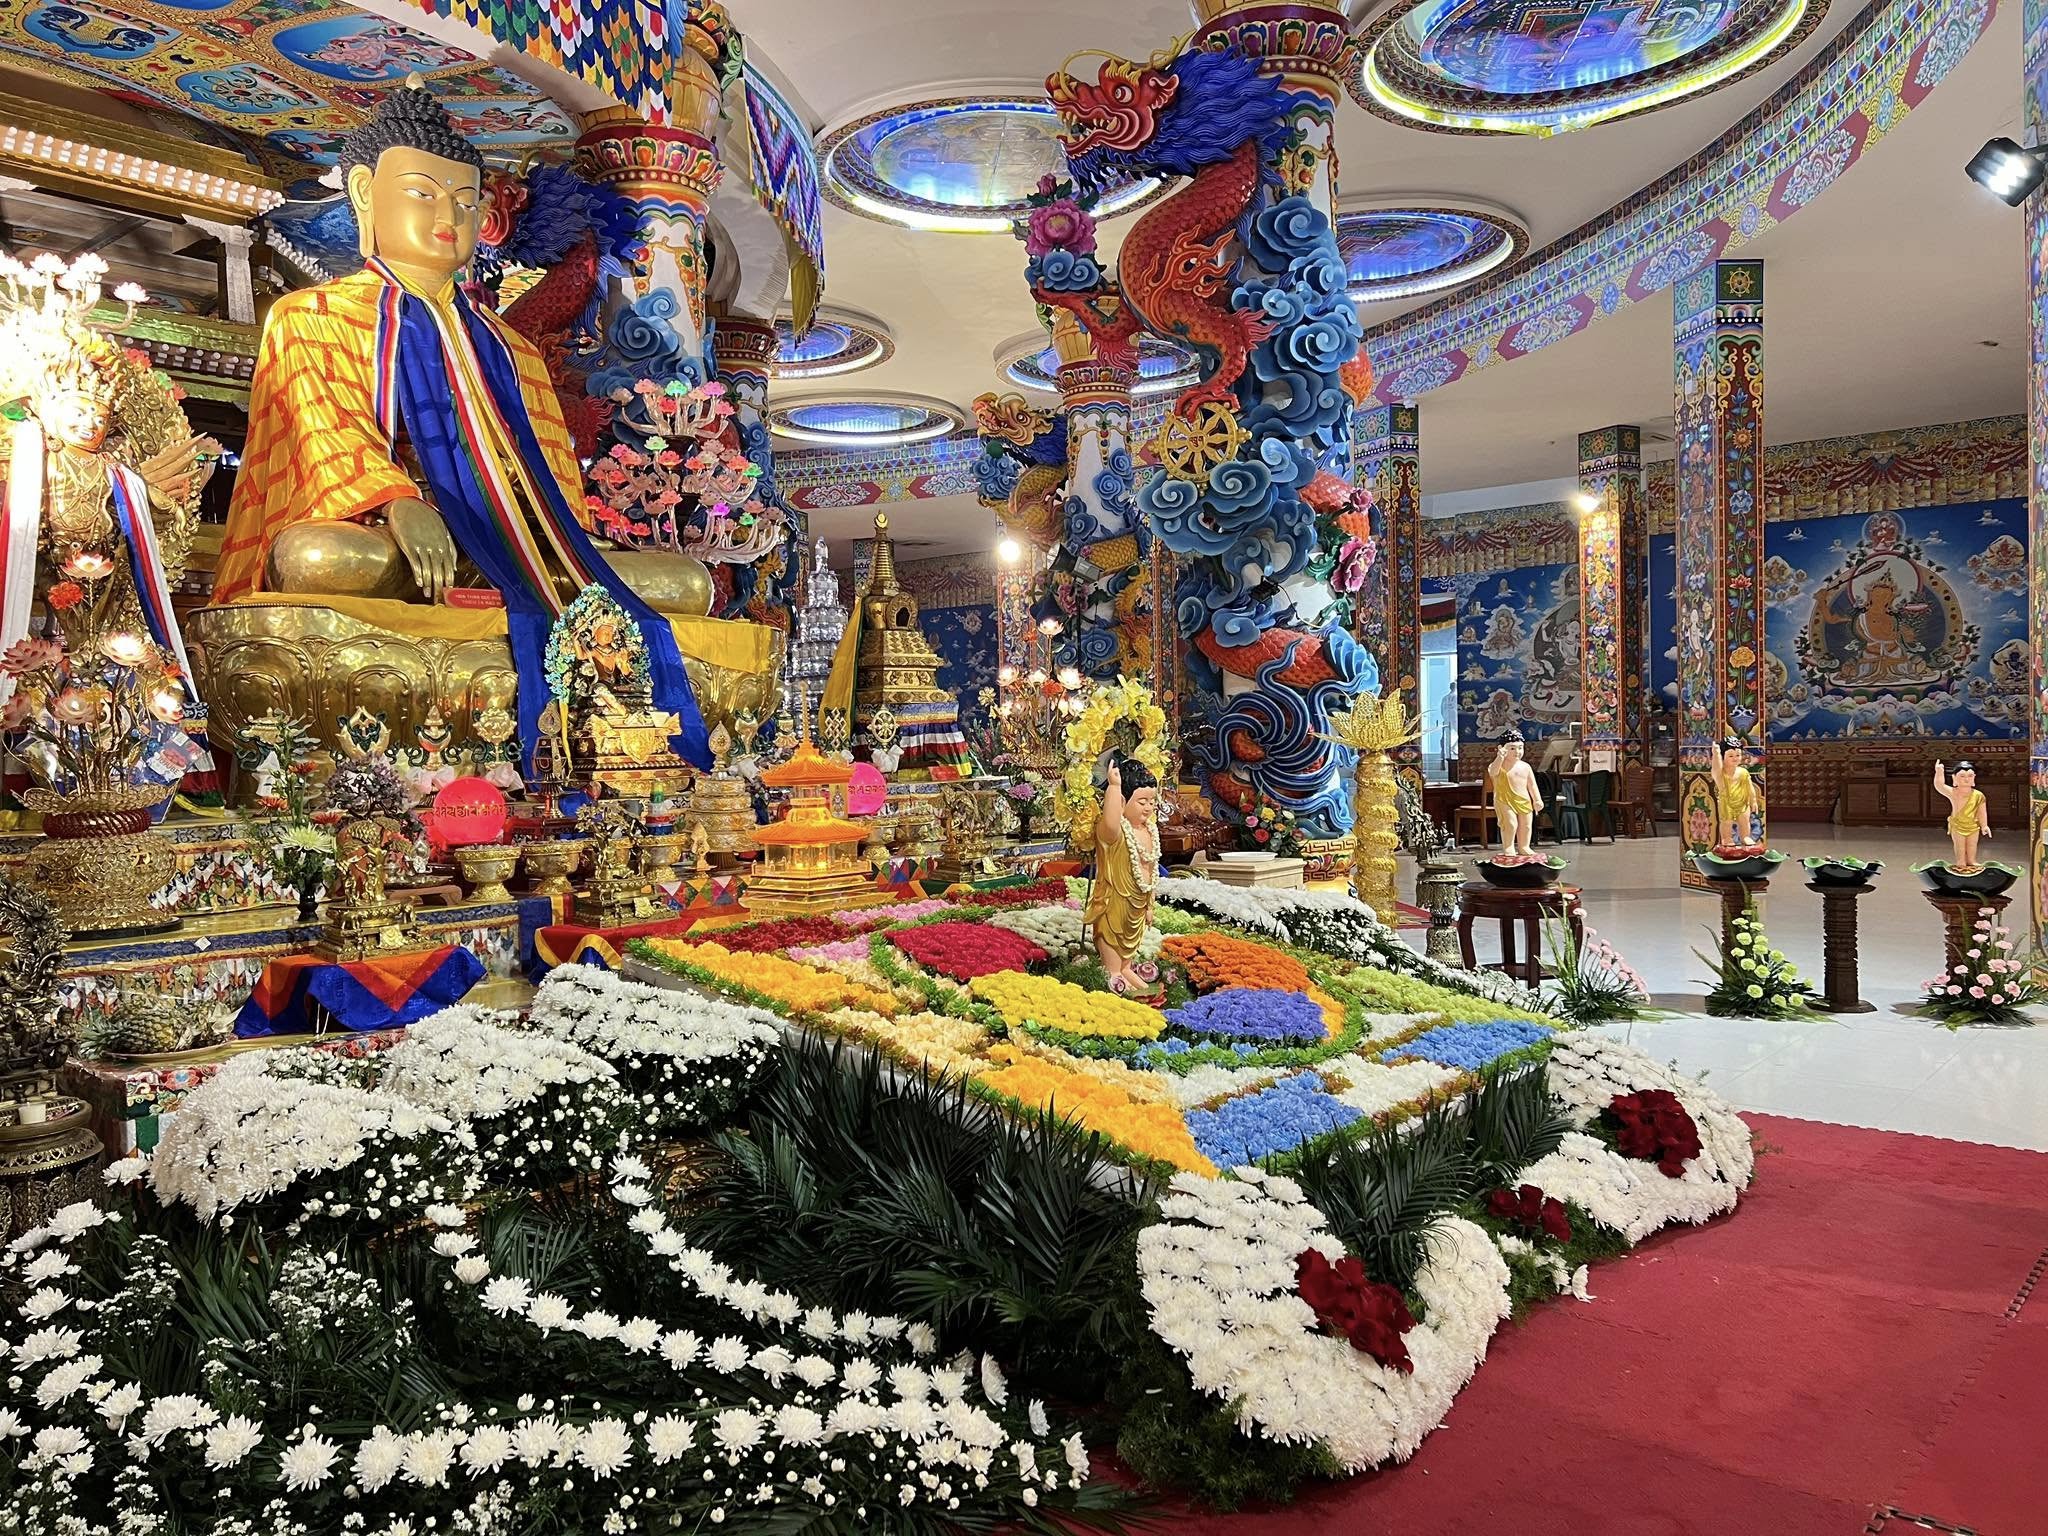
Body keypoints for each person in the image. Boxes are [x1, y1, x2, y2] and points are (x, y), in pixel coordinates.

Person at [213, 81, 708, 774]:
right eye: (423, 193)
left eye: (467, 201)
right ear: (364, 194)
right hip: (390, 545)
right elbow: (327, 432)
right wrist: (396, 500)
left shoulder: (512, 348)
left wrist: (562, 543)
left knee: (686, 583)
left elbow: (551, 481)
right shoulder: (312, 315)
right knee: (319, 559)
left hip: (509, 550)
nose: (449, 215)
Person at [1084, 754, 1160, 995]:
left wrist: (1149, 905)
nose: (1148, 807)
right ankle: (1113, 971)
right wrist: (1114, 787)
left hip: (1138, 900)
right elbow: (1110, 822)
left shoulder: (1149, 831)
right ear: (1123, 801)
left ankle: (1125, 968)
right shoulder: (1116, 833)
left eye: (1152, 802)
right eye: (1142, 801)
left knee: (1131, 940)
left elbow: (1152, 871)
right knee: (1112, 933)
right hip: (1115, 898)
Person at [1489, 733, 1542, 860]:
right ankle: (1508, 846)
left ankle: (1524, 846)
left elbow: (1532, 785)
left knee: (1526, 825)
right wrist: (1499, 758)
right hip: (1504, 799)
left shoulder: (1526, 767)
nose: (1517, 752)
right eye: (1512, 748)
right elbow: (1493, 772)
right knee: (1510, 824)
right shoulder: (1497, 765)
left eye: (1520, 748)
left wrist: (1537, 799)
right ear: (1501, 748)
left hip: (1524, 800)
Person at [1933, 759, 1989, 872]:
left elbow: (1982, 812)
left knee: (1972, 845)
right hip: (1958, 825)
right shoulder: (1953, 793)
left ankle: (1971, 860)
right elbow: (1939, 786)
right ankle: (1961, 861)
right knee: (1960, 845)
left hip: (1973, 826)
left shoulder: (1979, 795)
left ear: (1974, 778)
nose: (1966, 779)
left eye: (1970, 776)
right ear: (1954, 778)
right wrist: (1939, 772)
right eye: (1962, 776)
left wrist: (1984, 825)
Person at [1711, 736, 1763, 849]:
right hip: (1726, 802)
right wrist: (1716, 754)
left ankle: (1745, 836)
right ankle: (1726, 838)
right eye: (1730, 756)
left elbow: (1750, 787)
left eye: (1738, 755)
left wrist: (1753, 800)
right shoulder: (1721, 774)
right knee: (1726, 822)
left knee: (1745, 821)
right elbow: (1716, 768)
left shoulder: (1743, 772)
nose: (1735, 758)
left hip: (1742, 802)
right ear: (1723, 757)